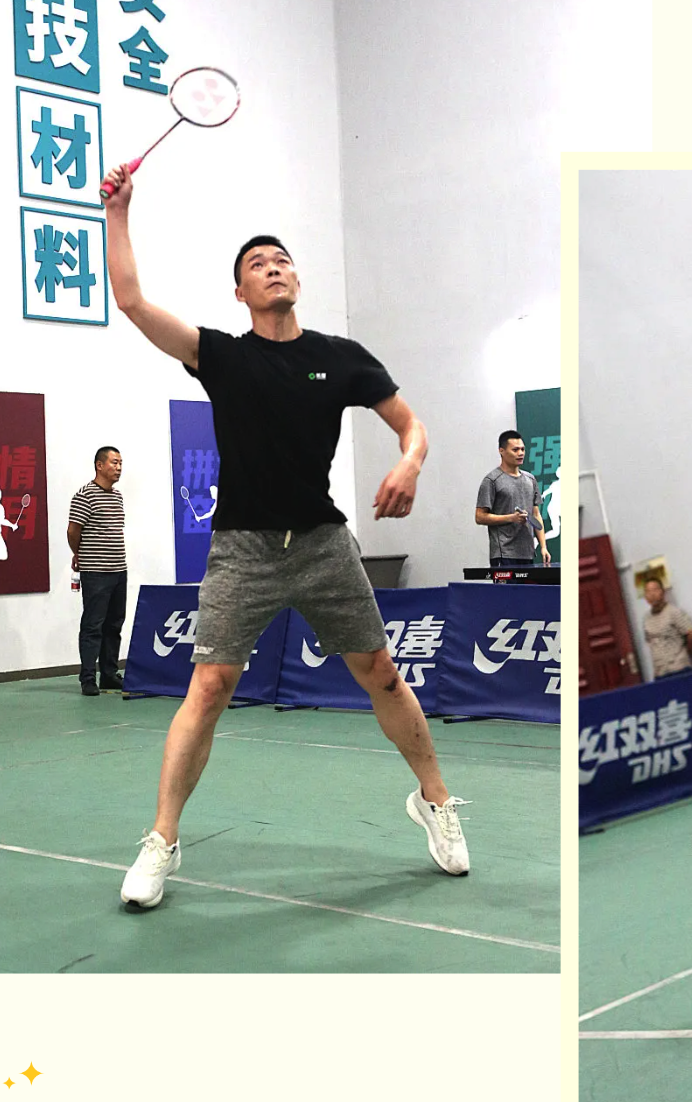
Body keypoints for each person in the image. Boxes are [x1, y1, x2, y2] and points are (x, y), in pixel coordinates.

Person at [101, 161, 469, 909]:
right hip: (242, 548)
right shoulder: (222, 355)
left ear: (297, 278)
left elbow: (411, 424)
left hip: (324, 544)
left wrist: (410, 462)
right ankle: (162, 840)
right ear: (240, 292)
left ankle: (435, 800)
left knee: (382, 673)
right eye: (256, 265)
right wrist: (118, 212)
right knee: (210, 686)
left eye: (281, 260)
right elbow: (132, 301)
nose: (272, 268)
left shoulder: (340, 358)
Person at [67, 447, 127, 696]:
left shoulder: (118, 496)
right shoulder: (84, 496)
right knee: (93, 625)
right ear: (99, 465)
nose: (119, 468)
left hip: (119, 569)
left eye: (121, 463)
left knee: (114, 624)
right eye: (114, 462)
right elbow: (73, 531)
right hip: (96, 572)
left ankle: (109, 675)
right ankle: (88, 678)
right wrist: (79, 554)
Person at [475, 431, 551, 566]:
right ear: (501, 451)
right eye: (515, 450)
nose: (520, 453)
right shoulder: (491, 480)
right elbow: (480, 517)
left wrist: (543, 546)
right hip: (503, 554)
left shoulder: (530, 480)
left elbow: (536, 514)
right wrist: (511, 518)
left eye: (522, 449)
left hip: (527, 553)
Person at [640, 576, 692, 678]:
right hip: (660, 673)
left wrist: (684, 655)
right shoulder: (646, 619)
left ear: (662, 592)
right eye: (648, 591)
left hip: (679, 669)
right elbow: (650, 642)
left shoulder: (674, 612)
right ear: (645, 596)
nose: (652, 594)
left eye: (655, 590)